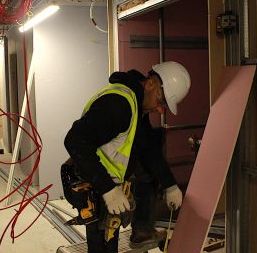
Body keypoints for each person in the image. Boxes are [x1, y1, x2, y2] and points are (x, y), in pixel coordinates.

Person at [64, 61, 191, 253]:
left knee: (148, 167)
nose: (159, 109)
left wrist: (169, 184)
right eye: (161, 101)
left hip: (105, 177)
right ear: (150, 84)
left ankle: (142, 230)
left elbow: (148, 147)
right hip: (91, 179)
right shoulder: (119, 104)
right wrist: (109, 190)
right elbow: (74, 140)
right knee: (104, 245)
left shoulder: (136, 103)